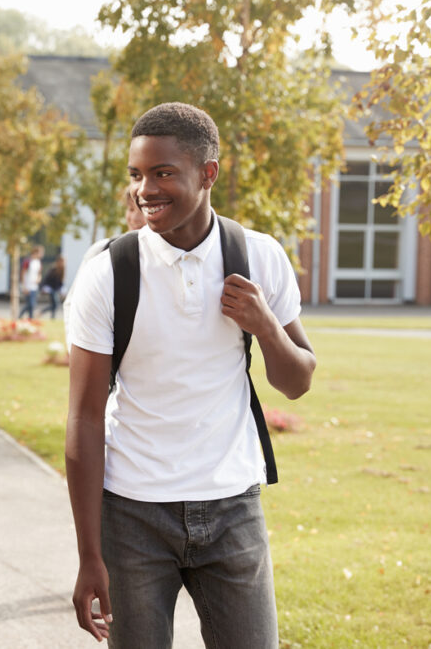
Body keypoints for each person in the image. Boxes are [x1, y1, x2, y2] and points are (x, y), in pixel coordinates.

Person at [65, 102, 317, 647]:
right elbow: (84, 418)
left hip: (233, 511)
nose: (144, 190)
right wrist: (90, 556)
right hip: (132, 515)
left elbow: (298, 380)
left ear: (208, 174)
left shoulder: (260, 257)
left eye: (162, 174)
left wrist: (267, 327)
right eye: (136, 175)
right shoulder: (108, 272)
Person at [63, 187, 145, 350]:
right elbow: (73, 305)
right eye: (130, 209)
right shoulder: (101, 251)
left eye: (141, 211)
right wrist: (76, 350)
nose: (134, 218)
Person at [18, 244, 43, 319]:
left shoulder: (38, 262)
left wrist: (39, 279)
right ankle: (22, 317)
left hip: (34, 287)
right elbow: (22, 274)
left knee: (32, 305)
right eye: (40, 252)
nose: (42, 254)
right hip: (27, 286)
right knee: (30, 304)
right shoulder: (28, 262)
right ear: (35, 252)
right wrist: (23, 287)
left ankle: (28, 318)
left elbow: (39, 274)